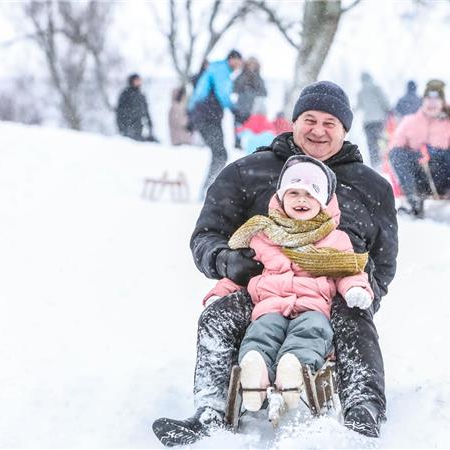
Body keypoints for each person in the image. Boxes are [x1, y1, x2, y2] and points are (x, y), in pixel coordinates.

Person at [152, 81, 398, 446]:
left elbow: (383, 260)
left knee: (355, 320)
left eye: (330, 123)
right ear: (293, 121)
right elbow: (206, 235)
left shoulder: (371, 186)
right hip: (261, 289)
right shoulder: (247, 172)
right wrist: (227, 261)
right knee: (217, 316)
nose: (318, 130)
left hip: (331, 293)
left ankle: (363, 414)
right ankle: (210, 414)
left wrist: (360, 291)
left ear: (345, 130)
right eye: (309, 119)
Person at [200, 155, 373, 412]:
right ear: (280, 199)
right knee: (260, 335)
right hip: (269, 307)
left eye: (310, 194)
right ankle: (255, 371)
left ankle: (293, 369)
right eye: (293, 193)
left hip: (313, 308)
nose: (301, 200)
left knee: (312, 333)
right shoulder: (264, 235)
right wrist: (220, 293)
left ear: (324, 202)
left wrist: (356, 289)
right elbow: (240, 274)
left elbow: (348, 270)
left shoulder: (335, 240)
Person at [388, 80, 450, 228]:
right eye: (428, 99)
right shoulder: (410, 122)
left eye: (436, 99)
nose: (432, 103)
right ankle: (413, 202)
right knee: (397, 154)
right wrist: (416, 154)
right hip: (418, 177)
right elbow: (394, 147)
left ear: (442, 103)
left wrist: (440, 154)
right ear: (423, 101)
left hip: (442, 177)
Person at [187, 49, 243, 196]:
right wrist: (234, 109)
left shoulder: (216, 68)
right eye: (238, 62)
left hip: (206, 115)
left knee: (219, 153)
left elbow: (198, 93)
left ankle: (209, 188)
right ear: (232, 59)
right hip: (207, 115)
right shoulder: (221, 70)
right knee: (220, 154)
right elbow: (222, 93)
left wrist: (191, 115)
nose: (239, 66)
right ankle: (208, 190)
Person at [356, 72, 390, 168]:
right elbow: (385, 102)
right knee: (382, 140)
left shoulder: (361, 92)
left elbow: (359, 106)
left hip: (367, 122)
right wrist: (388, 110)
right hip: (378, 120)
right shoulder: (376, 88)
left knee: (371, 144)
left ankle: (375, 163)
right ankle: (385, 161)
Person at [115, 74, 155, 142]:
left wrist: (150, 124)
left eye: (139, 80)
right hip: (127, 125)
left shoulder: (141, 95)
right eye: (136, 80)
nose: (139, 82)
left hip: (138, 125)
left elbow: (145, 110)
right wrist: (122, 127)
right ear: (132, 81)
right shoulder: (126, 94)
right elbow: (120, 111)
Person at [232, 56, 267, 133]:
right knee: (238, 132)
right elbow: (234, 89)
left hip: (253, 111)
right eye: (249, 64)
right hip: (240, 109)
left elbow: (263, 93)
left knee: (250, 132)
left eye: (254, 65)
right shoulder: (241, 76)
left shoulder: (259, 79)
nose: (251, 67)